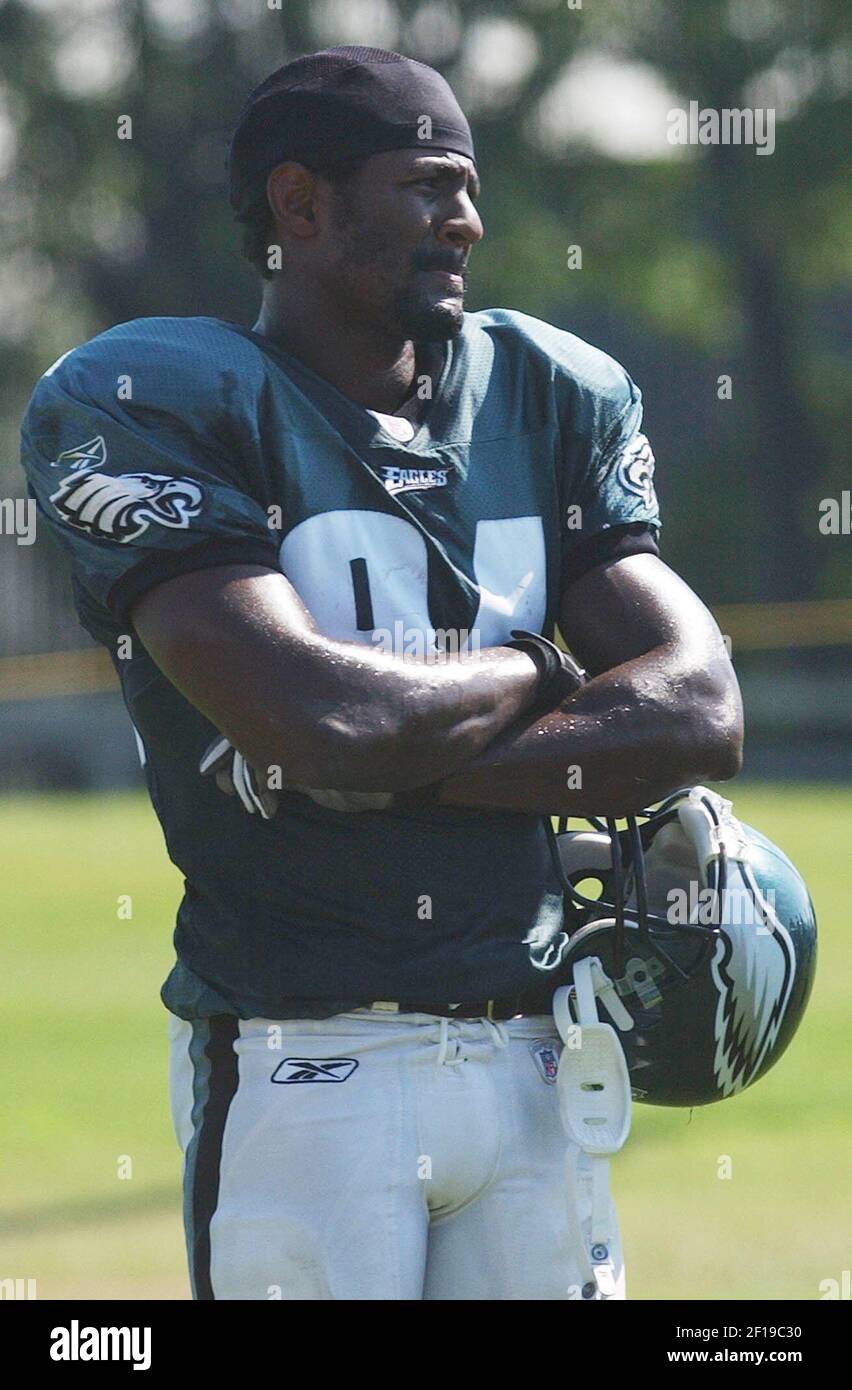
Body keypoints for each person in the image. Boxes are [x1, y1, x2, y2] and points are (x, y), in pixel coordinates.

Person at [20, 46, 742, 1301]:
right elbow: (327, 717)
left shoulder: (548, 396)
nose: (466, 218)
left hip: (533, 1055)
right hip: (304, 1062)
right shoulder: (158, 398)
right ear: (301, 205)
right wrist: (536, 665)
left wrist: (389, 770)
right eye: (427, 185)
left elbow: (698, 707)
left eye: (467, 186)